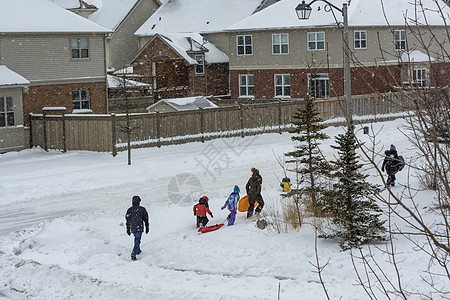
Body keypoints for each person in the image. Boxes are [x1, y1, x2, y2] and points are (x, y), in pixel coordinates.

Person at [125, 195, 149, 261]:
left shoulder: (129, 210)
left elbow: (127, 220)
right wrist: (147, 227)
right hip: (139, 226)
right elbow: (146, 219)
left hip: (133, 227)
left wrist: (128, 229)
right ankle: (134, 253)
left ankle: (138, 250)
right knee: (137, 239)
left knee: (137, 239)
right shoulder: (142, 209)